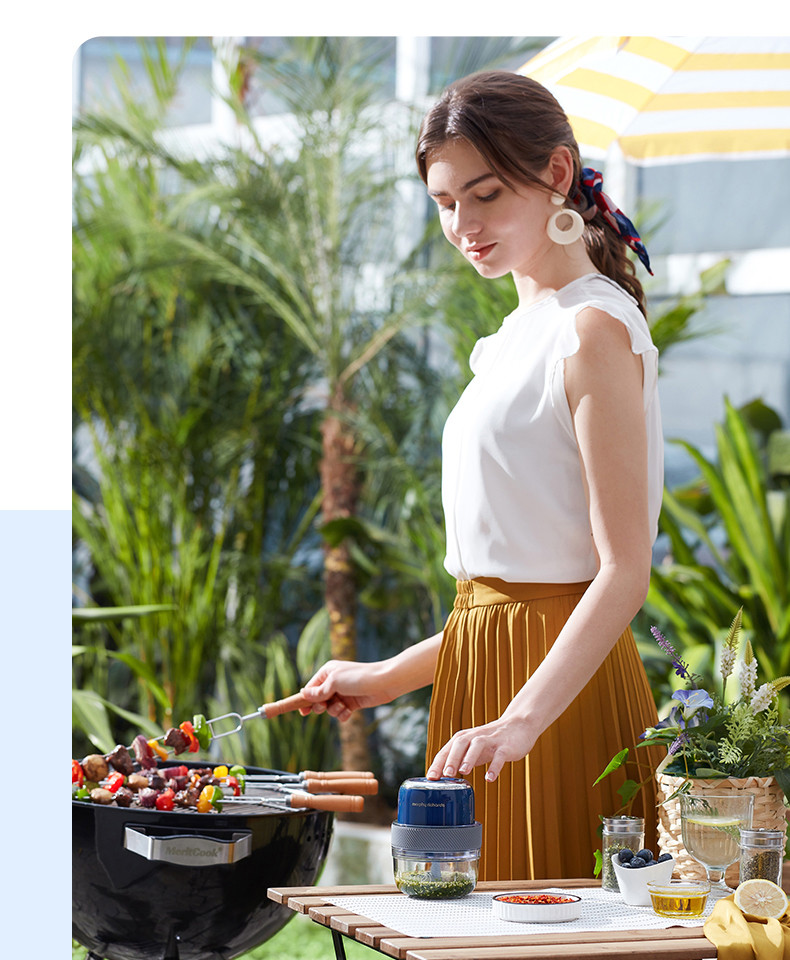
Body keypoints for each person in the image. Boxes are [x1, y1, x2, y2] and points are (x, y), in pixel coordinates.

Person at [299, 70, 664, 882]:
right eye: (443, 202)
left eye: (485, 193)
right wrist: (388, 678)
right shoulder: (512, 340)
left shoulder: (593, 329)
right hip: (485, 695)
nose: (463, 224)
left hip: (551, 707)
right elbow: (503, 594)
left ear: (557, 175)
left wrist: (521, 723)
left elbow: (619, 572)